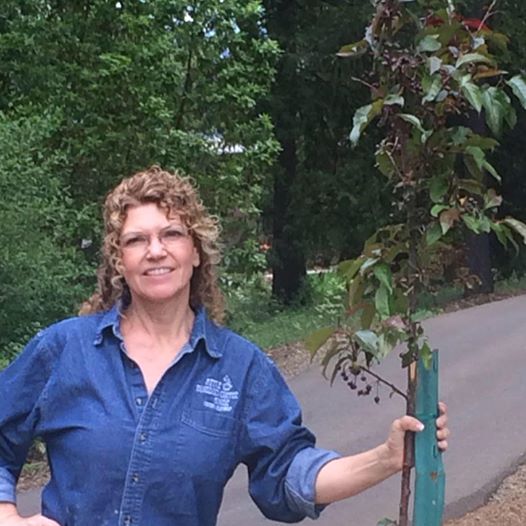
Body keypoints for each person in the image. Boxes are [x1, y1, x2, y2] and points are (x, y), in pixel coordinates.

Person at [0, 166, 449, 526]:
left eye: (171, 234)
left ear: (196, 252)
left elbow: (288, 472)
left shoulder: (240, 369)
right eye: (137, 240)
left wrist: (385, 458)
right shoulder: (64, 350)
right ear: (120, 261)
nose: (155, 250)